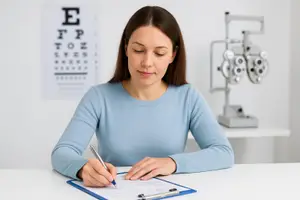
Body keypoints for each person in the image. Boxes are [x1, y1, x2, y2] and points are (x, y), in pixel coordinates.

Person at [51, 5, 234, 188]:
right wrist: (83, 168)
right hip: (115, 193)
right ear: (126, 48)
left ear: (173, 55)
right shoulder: (98, 97)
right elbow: (62, 152)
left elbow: (223, 152)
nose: (147, 62)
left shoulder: (188, 97)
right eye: (138, 50)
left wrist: (173, 163)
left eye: (159, 53)